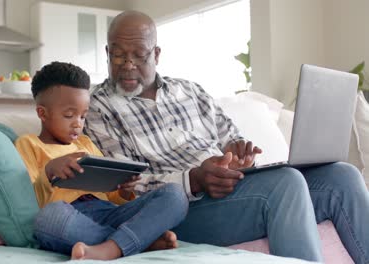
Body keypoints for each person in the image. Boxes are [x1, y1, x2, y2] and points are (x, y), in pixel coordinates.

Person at [84, 10, 369, 264]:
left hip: (231, 192)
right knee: (286, 182)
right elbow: (125, 186)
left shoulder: (190, 91)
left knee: (342, 176)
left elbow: (230, 137)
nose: (127, 64)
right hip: (177, 211)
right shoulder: (98, 106)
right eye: (118, 55)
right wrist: (194, 179)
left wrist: (237, 154)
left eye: (139, 55)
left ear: (156, 54)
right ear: (107, 53)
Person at [15, 61, 189, 260]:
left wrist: (124, 188)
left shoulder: (85, 143)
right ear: (42, 113)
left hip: (110, 214)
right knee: (49, 219)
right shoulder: (28, 144)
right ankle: (136, 242)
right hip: (71, 216)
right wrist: (49, 171)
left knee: (175, 195)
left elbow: (113, 198)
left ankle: (111, 248)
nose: (77, 124)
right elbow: (27, 199)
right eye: (69, 115)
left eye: (83, 116)